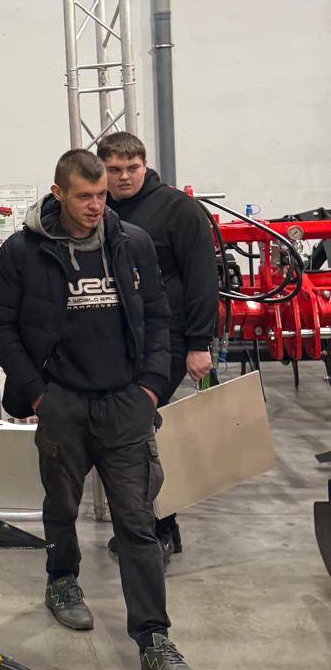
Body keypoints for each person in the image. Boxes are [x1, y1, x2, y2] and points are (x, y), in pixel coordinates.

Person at [0, 148, 205, 670]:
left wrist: (150, 388)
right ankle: (62, 579)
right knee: (61, 506)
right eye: (84, 196)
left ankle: (154, 641)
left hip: (126, 405)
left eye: (102, 195)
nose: (96, 206)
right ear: (58, 193)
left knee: (138, 522)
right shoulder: (22, 252)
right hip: (62, 405)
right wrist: (39, 396)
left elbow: (159, 318)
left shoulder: (131, 243)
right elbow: (0, 327)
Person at [98, 132, 219, 556]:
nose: (124, 177)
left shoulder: (177, 209)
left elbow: (202, 277)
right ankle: (155, 526)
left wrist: (199, 343)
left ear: (145, 165)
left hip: (169, 339)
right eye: (114, 170)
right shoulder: (98, 210)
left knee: (140, 431)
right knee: (134, 432)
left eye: (132, 168)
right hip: (120, 342)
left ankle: (159, 531)